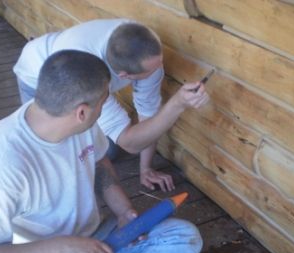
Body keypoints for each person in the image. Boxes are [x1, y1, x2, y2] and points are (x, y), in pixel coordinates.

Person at [0, 50, 242, 253]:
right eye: (105, 100)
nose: (106, 104)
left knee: (183, 238)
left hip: (98, 240)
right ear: (82, 111)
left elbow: (100, 162)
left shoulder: (72, 117)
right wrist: (63, 247)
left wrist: (123, 211)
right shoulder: (2, 163)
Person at [13, 19, 177, 192]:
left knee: (107, 151)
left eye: (160, 63)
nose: (159, 70)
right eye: (153, 70)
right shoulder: (87, 76)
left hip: (70, 56)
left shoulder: (142, 49)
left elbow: (149, 117)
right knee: (50, 144)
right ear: (125, 75)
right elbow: (130, 143)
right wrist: (177, 104)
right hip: (36, 73)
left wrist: (146, 169)